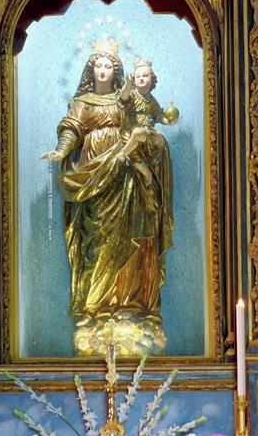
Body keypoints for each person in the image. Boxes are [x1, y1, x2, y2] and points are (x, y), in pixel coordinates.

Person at [41, 37, 173, 356]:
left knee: (130, 237)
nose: (102, 70)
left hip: (125, 173)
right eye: (98, 65)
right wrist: (61, 151)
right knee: (96, 240)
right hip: (94, 172)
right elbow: (72, 129)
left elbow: (142, 124)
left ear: (116, 71)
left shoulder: (126, 99)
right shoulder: (82, 101)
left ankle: (127, 305)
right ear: (91, 69)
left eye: (108, 66)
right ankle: (94, 307)